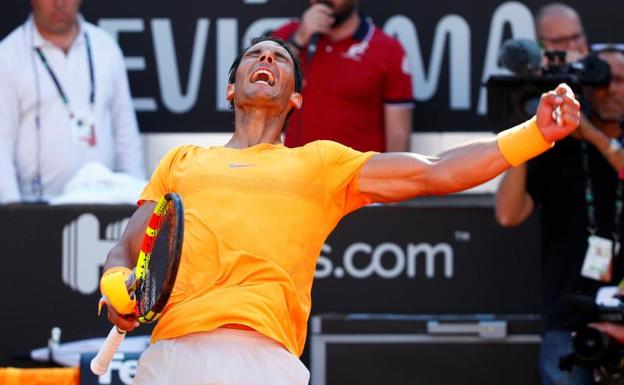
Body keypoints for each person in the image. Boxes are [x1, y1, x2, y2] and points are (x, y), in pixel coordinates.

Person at [100, 36, 579, 385]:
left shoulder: (321, 162)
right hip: (171, 354)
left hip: (263, 360)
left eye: (280, 58)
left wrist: (533, 134)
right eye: (255, 54)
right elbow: (126, 249)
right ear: (231, 89)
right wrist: (114, 285)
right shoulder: (181, 162)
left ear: (296, 98)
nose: (266, 58)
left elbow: (434, 170)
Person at [495, 48, 624, 385]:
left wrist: (593, 136)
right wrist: (521, 138)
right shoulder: (561, 148)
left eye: (621, 81)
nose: (611, 90)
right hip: (568, 320)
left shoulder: (590, 137)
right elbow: (509, 214)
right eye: (603, 82)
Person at [0, 0, 145, 204]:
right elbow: (2, 141)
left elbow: (125, 131)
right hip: (38, 208)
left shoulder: (105, 46)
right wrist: (11, 211)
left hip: (107, 202)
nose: (59, 3)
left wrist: (138, 202)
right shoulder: (8, 55)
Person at [272, 0, 413, 152]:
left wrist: (391, 174)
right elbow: (262, 92)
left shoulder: (388, 50)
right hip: (297, 172)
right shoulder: (286, 37)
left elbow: (399, 135)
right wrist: (298, 40)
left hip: (358, 173)